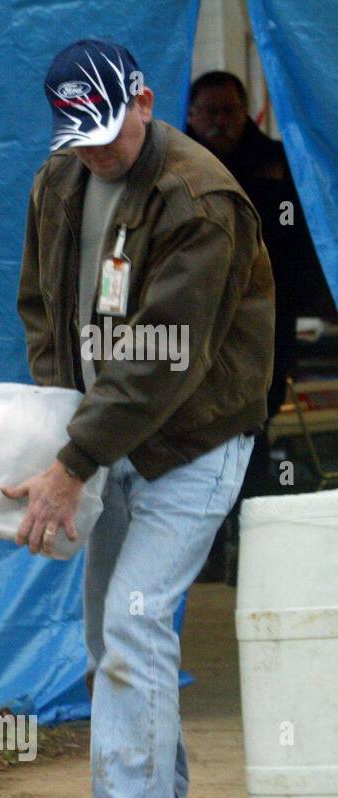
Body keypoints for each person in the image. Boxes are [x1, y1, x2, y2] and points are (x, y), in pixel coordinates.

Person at [6, 40, 274, 798]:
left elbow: (164, 363)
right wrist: (60, 425)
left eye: (110, 130)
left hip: (194, 439)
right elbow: (43, 309)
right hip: (104, 437)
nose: (97, 149)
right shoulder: (60, 182)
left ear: (147, 102)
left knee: (135, 620)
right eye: (78, 134)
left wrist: (71, 460)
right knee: (111, 640)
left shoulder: (201, 199)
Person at [186, 71, 335, 578]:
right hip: (194, 328)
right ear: (191, 114)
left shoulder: (275, 160)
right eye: (210, 111)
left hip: (266, 326)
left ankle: (246, 542)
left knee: (253, 428)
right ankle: (204, 549)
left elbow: (301, 242)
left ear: (245, 110)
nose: (220, 121)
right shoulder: (172, 164)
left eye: (229, 110)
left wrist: (312, 298)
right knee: (195, 432)